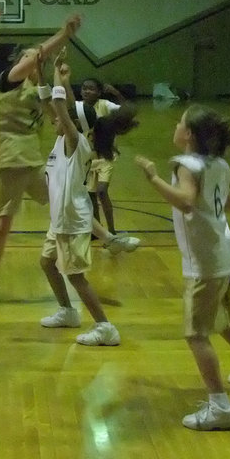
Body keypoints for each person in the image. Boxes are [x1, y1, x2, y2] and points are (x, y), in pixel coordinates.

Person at [135, 105, 230, 431]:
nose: (176, 124)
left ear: (190, 135)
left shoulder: (185, 165)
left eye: (180, 121)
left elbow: (184, 201)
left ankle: (220, 406)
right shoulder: (220, 164)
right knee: (223, 322)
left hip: (205, 263)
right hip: (226, 255)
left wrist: (153, 176)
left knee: (196, 334)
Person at [0, 14, 82, 311]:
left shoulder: (40, 93)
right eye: (31, 57)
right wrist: (64, 33)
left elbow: (63, 117)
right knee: (2, 225)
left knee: (66, 200)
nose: (37, 61)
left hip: (32, 161)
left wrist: (63, 80)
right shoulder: (8, 81)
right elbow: (37, 54)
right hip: (6, 161)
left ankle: (109, 238)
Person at [40, 58, 138, 345]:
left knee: (75, 277)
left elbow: (61, 108)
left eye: (62, 119)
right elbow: (56, 107)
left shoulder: (76, 142)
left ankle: (105, 327)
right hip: (61, 218)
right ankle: (67, 312)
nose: (55, 120)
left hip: (70, 222)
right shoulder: (66, 138)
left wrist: (58, 80)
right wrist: (44, 78)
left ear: (73, 124)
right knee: (47, 263)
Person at [76, 77, 125, 233]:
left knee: (102, 191)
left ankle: (112, 231)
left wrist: (116, 93)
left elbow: (126, 110)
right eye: (84, 88)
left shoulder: (104, 105)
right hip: (88, 157)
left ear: (99, 92)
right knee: (90, 196)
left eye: (91, 88)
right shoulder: (78, 108)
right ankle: (97, 231)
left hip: (106, 155)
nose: (87, 91)